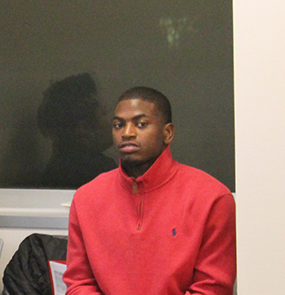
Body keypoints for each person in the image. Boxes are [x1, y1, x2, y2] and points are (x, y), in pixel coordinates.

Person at [64, 87, 236, 295]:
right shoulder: (87, 198)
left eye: (141, 124)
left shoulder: (212, 197)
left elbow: (212, 288)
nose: (127, 133)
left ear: (168, 133)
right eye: (119, 125)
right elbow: (79, 283)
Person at [35, 73, 115, 188]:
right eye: (104, 113)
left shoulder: (55, 167)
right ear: (84, 128)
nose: (113, 119)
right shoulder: (99, 170)